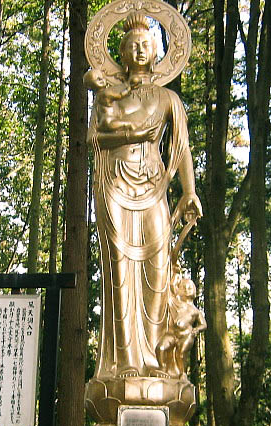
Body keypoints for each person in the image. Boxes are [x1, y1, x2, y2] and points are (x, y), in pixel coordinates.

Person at [88, 13, 201, 380]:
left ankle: (152, 356)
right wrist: (132, 134)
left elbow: (181, 148)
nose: (140, 49)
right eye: (133, 44)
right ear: (120, 52)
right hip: (114, 184)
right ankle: (125, 361)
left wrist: (189, 191)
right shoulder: (108, 92)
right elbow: (95, 137)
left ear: (157, 51)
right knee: (120, 269)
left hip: (154, 186)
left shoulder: (168, 99)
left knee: (157, 267)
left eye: (147, 44)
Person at [155, 273, 207, 378]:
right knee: (160, 348)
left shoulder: (195, 310)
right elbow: (171, 288)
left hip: (186, 335)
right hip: (172, 334)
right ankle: (162, 368)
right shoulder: (176, 302)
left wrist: (196, 330)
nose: (186, 289)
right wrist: (176, 278)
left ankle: (182, 373)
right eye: (184, 287)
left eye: (189, 288)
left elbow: (204, 324)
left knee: (181, 354)